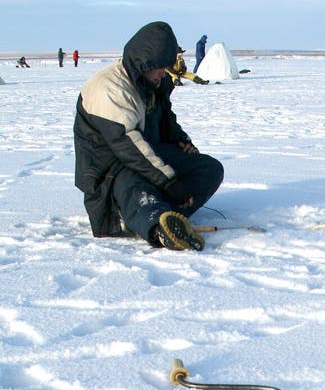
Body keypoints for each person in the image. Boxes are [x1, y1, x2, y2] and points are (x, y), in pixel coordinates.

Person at [73, 21, 224, 250]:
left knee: (209, 169)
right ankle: (157, 228)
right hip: (111, 171)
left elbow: (164, 118)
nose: (164, 73)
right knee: (133, 182)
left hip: (147, 158)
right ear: (145, 63)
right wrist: (170, 182)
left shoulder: (153, 81)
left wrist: (179, 140)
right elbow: (129, 146)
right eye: (160, 67)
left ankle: (168, 218)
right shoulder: (109, 89)